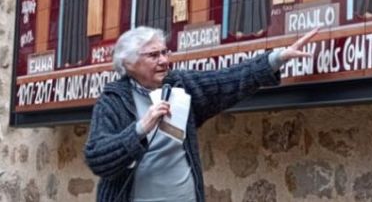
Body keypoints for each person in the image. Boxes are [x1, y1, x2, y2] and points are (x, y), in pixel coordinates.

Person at [84, 26, 318, 201]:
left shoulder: (181, 85)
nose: (164, 61)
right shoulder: (112, 102)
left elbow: (228, 80)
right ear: (129, 63)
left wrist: (275, 59)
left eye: (165, 52)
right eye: (153, 55)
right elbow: (98, 159)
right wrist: (140, 129)